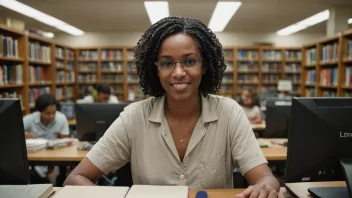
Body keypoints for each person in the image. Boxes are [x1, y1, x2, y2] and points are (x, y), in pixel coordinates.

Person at [64, 17, 282, 198]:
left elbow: (266, 179)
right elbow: (75, 179)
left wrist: (266, 188)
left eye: (189, 61)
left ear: (204, 65)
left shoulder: (229, 112)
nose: (178, 73)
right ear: (156, 69)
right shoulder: (134, 117)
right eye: (167, 63)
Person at [23, 93, 70, 185]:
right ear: (39, 112)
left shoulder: (61, 119)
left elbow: (66, 138)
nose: (52, 116)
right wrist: (25, 134)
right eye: (48, 113)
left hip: (55, 157)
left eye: (54, 112)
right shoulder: (30, 119)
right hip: (35, 157)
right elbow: (13, 128)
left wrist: (61, 136)